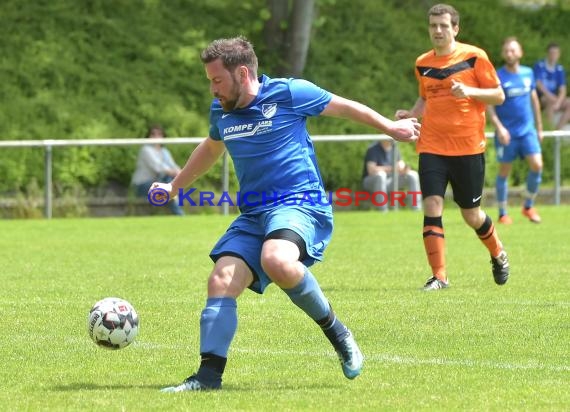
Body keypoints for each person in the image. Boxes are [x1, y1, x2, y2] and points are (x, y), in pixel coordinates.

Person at [153, 36, 421, 392]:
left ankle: (338, 333)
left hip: (300, 203)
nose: (213, 89)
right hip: (254, 213)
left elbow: (345, 107)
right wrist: (174, 187)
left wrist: (391, 128)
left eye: (217, 80)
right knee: (220, 280)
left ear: (242, 73)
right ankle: (207, 378)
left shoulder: (289, 93)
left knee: (277, 259)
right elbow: (212, 147)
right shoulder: (222, 110)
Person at [395, 4, 510, 291]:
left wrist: (470, 91)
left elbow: (498, 95)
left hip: (468, 148)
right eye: (433, 25)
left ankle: (498, 254)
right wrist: (410, 114)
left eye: (443, 25)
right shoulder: (422, 62)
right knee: (432, 204)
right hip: (432, 145)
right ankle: (440, 276)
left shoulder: (474, 57)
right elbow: (425, 99)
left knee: (471, 214)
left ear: (455, 28)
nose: (437, 30)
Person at [487, 37, 544, 224]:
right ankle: (503, 212)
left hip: (527, 131)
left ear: (520, 52)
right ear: (503, 54)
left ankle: (528, 206)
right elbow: (489, 106)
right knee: (504, 171)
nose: (510, 53)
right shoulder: (498, 76)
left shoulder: (528, 73)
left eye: (513, 50)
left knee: (537, 165)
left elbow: (534, 100)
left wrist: (539, 127)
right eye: (507, 51)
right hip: (507, 134)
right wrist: (499, 128)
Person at [131, 125, 184, 216]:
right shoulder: (146, 150)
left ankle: (177, 211)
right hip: (142, 185)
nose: (156, 137)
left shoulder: (164, 151)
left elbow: (173, 165)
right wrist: (176, 175)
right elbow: (158, 167)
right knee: (169, 185)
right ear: (148, 136)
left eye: (159, 134)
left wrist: (181, 173)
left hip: (158, 182)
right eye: (153, 134)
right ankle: (178, 213)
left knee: (171, 185)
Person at [362, 139, 421, 211]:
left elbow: (400, 166)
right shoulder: (373, 149)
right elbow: (371, 170)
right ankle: (383, 211)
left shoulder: (395, 148)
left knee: (413, 175)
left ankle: (416, 209)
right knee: (381, 175)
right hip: (371, 181)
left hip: (390, 181)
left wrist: (404, 170)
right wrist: (392, 168)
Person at [533, 42, 570, 130]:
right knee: (549, 102)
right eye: (552, 53)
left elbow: (562, 89)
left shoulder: (559, 69)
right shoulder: (539, 65)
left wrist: (558, 101)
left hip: (555, 98)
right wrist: (552, 98)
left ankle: (557, 131)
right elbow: (538, 84)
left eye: (556, 53)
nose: (554, 56)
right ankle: (549, 129)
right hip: (542, 97)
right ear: (548, 54)